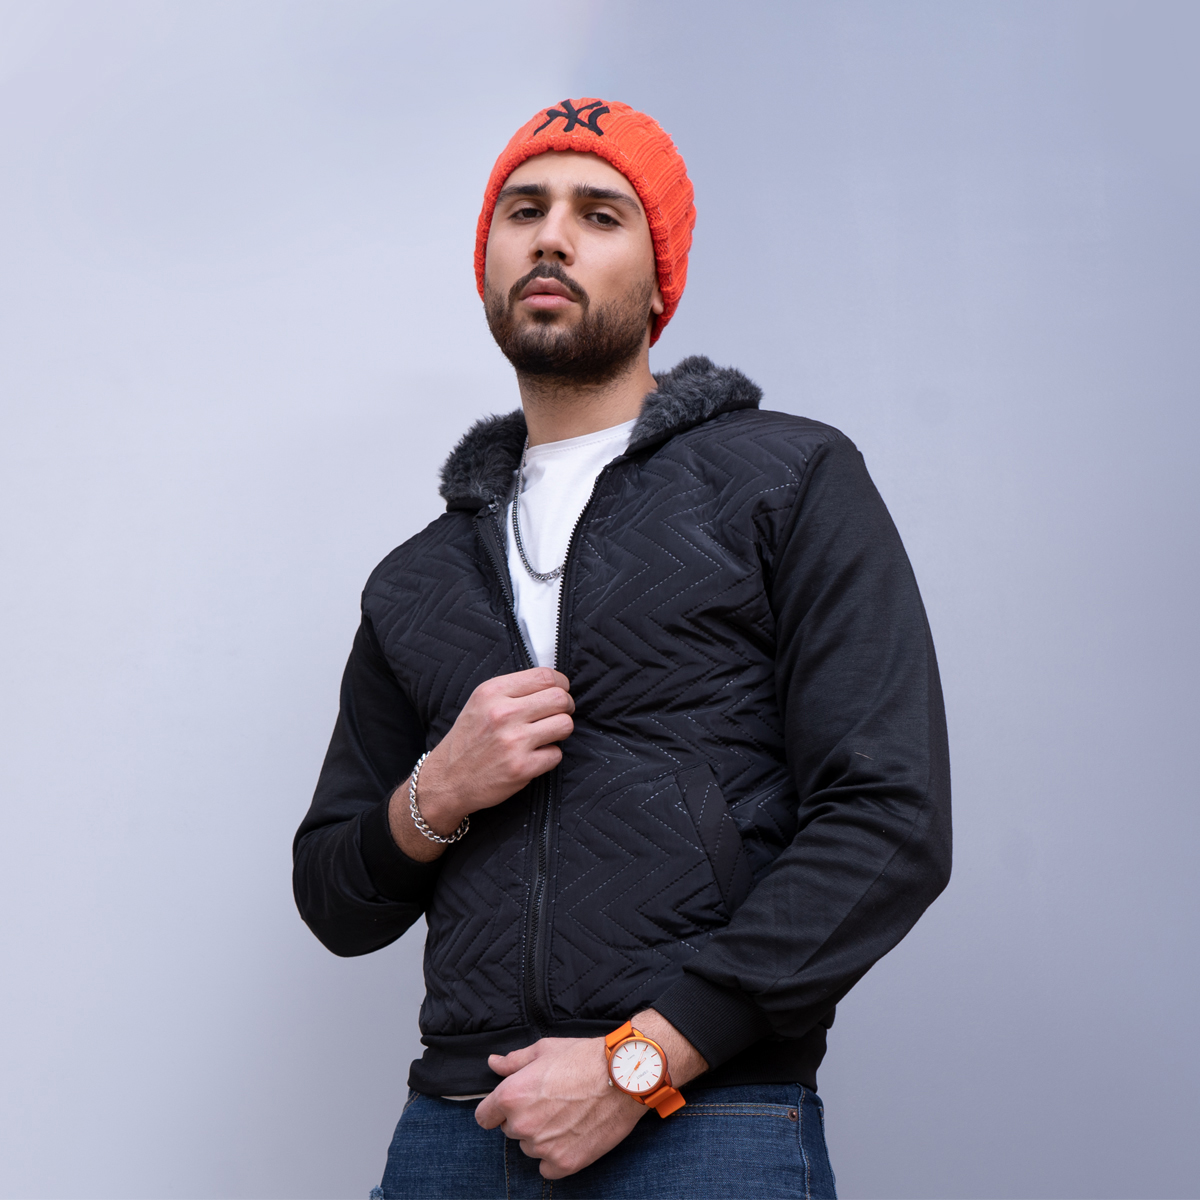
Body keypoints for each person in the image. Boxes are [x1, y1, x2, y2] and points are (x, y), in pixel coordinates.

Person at [293, 98, 951, 1200]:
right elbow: (335, 897)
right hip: (456, 1129)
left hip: (707, 1119)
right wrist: (436, 793)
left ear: (659, 282)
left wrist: (640, 1062)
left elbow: (890, 819)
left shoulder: (786, 480)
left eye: (599, 214)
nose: (551, 236)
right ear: (487, 264)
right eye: (523, 211)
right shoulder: (417, 577)